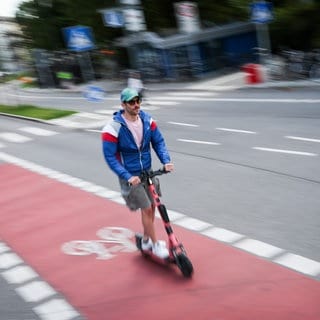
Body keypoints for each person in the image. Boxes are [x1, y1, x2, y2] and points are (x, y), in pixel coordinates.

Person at [101, 87, 174, 258]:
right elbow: (110, 157)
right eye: (132, 102)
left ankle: (147, 240)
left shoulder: (148, 121)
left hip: (148, 172)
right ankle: (155, 245)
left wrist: (166, 161)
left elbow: (159, 142)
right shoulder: (113, 128)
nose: (136, 105)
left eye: (138, 101)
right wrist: (127, 176)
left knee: (153, 207)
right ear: (123, 104)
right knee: (147, 208)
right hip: (131, 176)